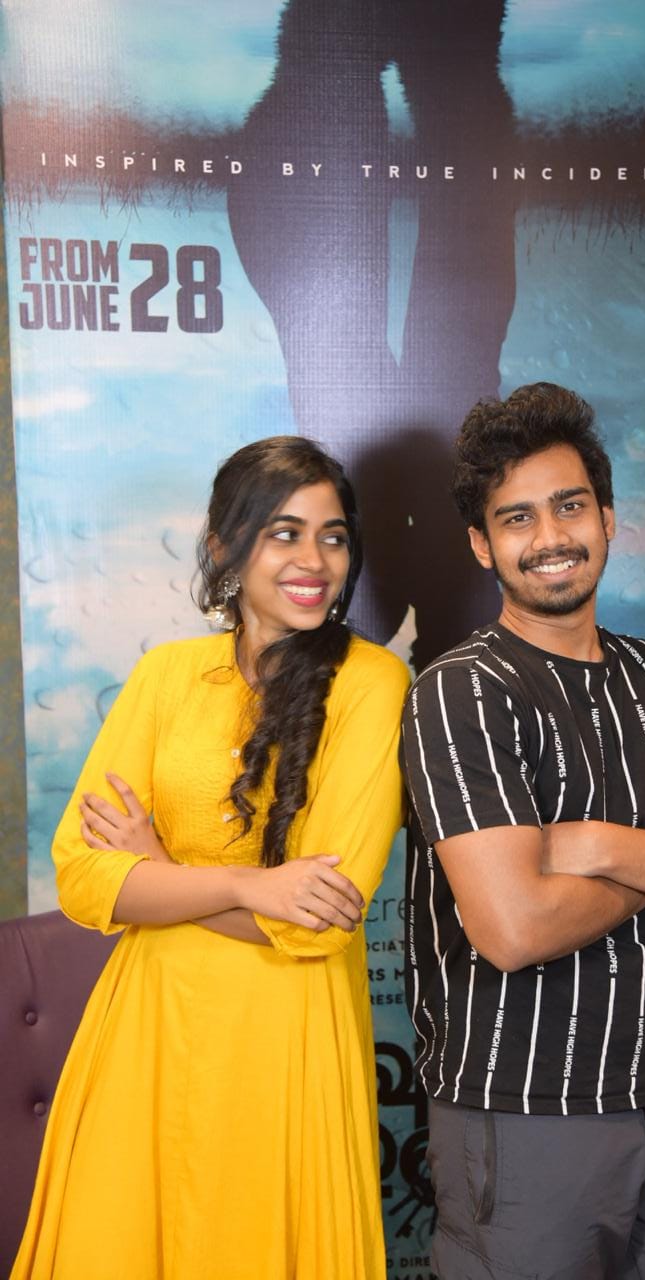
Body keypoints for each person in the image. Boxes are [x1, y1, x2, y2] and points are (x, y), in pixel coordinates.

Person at [401, 384, 645, 1280]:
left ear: (607, 519)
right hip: (522, 1114)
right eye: (517, 517)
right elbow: (513, 928)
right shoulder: (461, 692)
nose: (550, 536)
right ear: (481, 543)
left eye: (570, 506)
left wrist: (606, 845)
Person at [12, 436, 410, 1280]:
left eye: (332, 538)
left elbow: (313, 924)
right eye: (284, 533)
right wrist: (247, 883)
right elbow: (82, 875)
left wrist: (156, 870)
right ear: (225, 545)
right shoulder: (165, 677)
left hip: (286, 1039)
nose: (313, 561)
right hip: (146, 1034)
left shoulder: (373, 684)